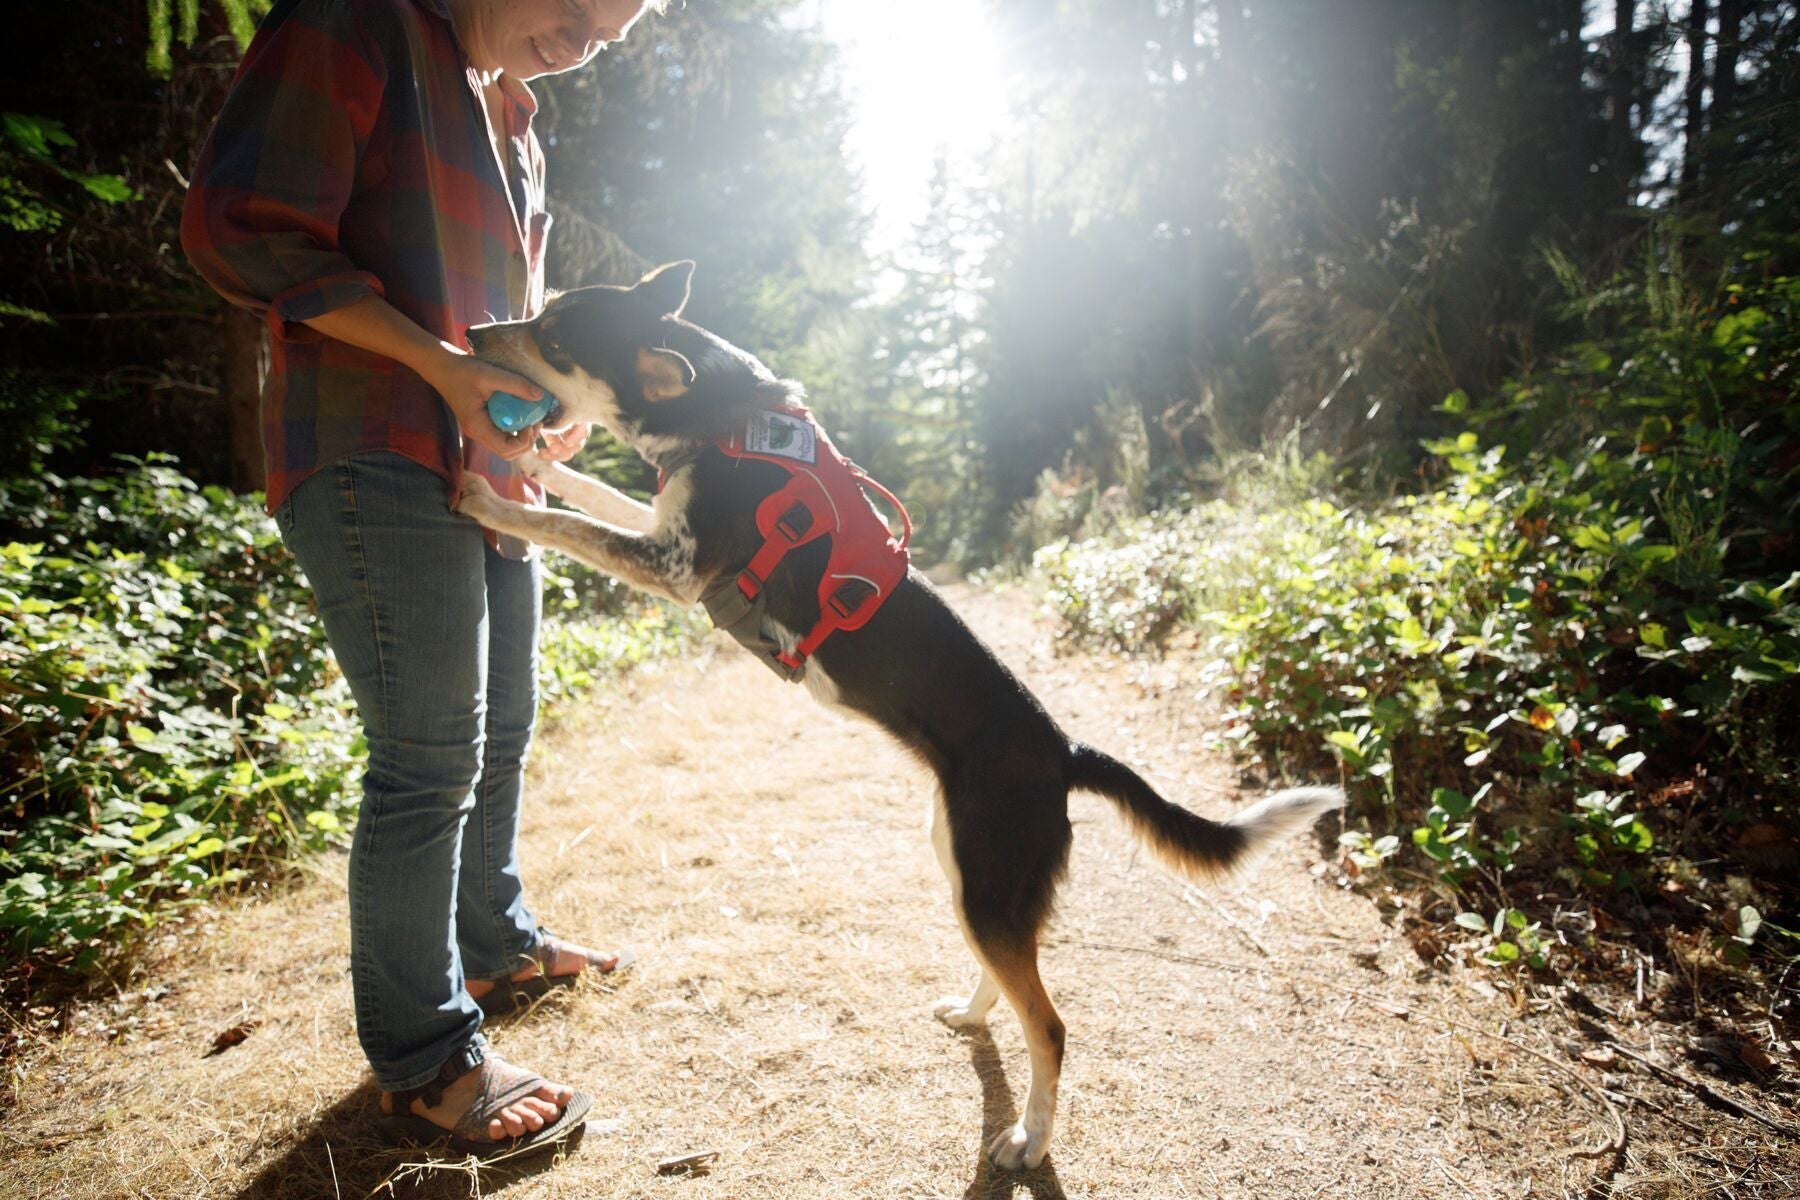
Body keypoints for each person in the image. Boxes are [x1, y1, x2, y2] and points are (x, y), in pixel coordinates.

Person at [182, 0, 662, 1155]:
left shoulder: (518, 121)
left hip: (493, 474)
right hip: (372, 445)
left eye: (612, 31)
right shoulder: (358, 25)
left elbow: (506, 331)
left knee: (504, 729)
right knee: (429, 757)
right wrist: (441, 370)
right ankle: (425, 1058)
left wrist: (550, 405)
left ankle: (493, 946)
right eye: (577, 6)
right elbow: (240, 228)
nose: (586, 39)